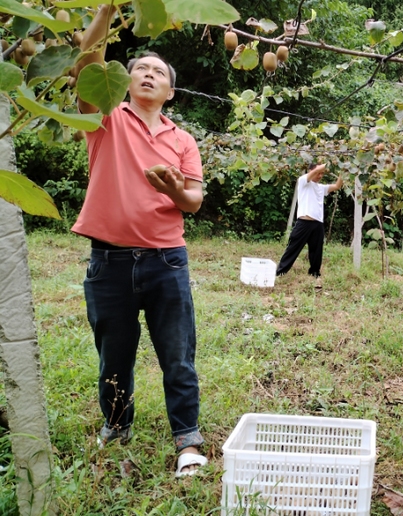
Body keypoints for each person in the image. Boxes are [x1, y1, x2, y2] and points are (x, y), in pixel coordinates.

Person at [71, 5, 207, 477]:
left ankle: (188, 439)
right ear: (126, 82)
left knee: (177, 354)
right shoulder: (107, 118)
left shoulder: (182, 139)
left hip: (167, 260)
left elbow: (193, 201)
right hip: (108, 261)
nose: (148, 75)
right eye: (140, 69)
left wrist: (172, 189)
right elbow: (86, 65)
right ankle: (116, 426)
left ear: (170, 91)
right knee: (115, 354)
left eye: (158, 72)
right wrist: (108, 8)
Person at [276, 163, 343, 283]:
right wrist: (329, 161)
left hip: (318, 224)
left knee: (317, 250)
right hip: (304, 222)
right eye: (318, 173)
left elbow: (337, 186)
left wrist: (344, 170)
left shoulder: (321, 188)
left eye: (322, 174)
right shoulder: (303, 181)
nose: (320, 176)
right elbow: (316, 170)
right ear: (310, 172)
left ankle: (314, 273)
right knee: (293, 247)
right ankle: (280, 271)